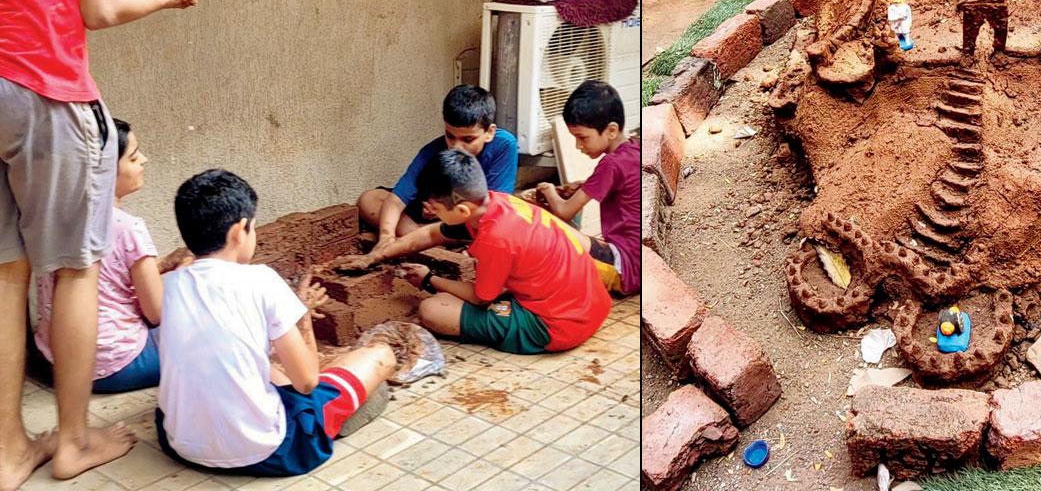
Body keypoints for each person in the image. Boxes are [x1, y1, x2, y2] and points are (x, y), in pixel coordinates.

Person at [0, 0, 200, 484]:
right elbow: (101, 7)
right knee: (77, 267)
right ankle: (75, 441)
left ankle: (9, 449)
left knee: (7, 271)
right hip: (46, 88)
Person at [156, 170, 396, 476]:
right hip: (268, 449)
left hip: (182, 443)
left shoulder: (170, 284)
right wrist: (304, 317)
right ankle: (334, 416)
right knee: (380, 356)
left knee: (254, 364)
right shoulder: (261, 280)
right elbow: (307, 382)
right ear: (239, 231)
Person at [342, 151, 611, 354]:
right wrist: (377, 255)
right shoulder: (494, 204)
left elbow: (481, 298)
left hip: (558, 325)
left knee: (433, 309)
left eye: (435, 209)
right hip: (593, 304)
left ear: (460, 211)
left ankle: (524, 328)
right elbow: (429, 234)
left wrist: (428, 280)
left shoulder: (496, 237)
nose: (431, 215)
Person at [33, 119, 164, 393]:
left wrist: (161, 268)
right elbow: (156, 313)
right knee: (210, 334)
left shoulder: (51, 217)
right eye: (134, 156)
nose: (144, 160)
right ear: (104, 170)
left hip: (56, 358)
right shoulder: (129, 228)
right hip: (116, 364)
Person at [355, 85, 517, 255]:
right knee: (370, 199)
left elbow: (494, 205)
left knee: (497, 220)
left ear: (489, 132)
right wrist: (386, 237)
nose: (457, 146)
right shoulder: (432, 151)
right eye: (450, 136)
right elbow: (397, 200)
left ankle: (427, 240)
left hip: (468, 216)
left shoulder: (504, 145)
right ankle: (429, 241)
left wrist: (450, 211)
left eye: (468, 139)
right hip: (437, 215)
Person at [537, 81, 639, 296]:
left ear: (611, 130)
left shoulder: (610, 164)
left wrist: (548, 190)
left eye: (582, 138)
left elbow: (564, 211)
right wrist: (585, 185)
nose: (578, 146)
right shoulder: (634, 149)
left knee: (551, 236)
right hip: (637, 262)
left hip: (625, 267)